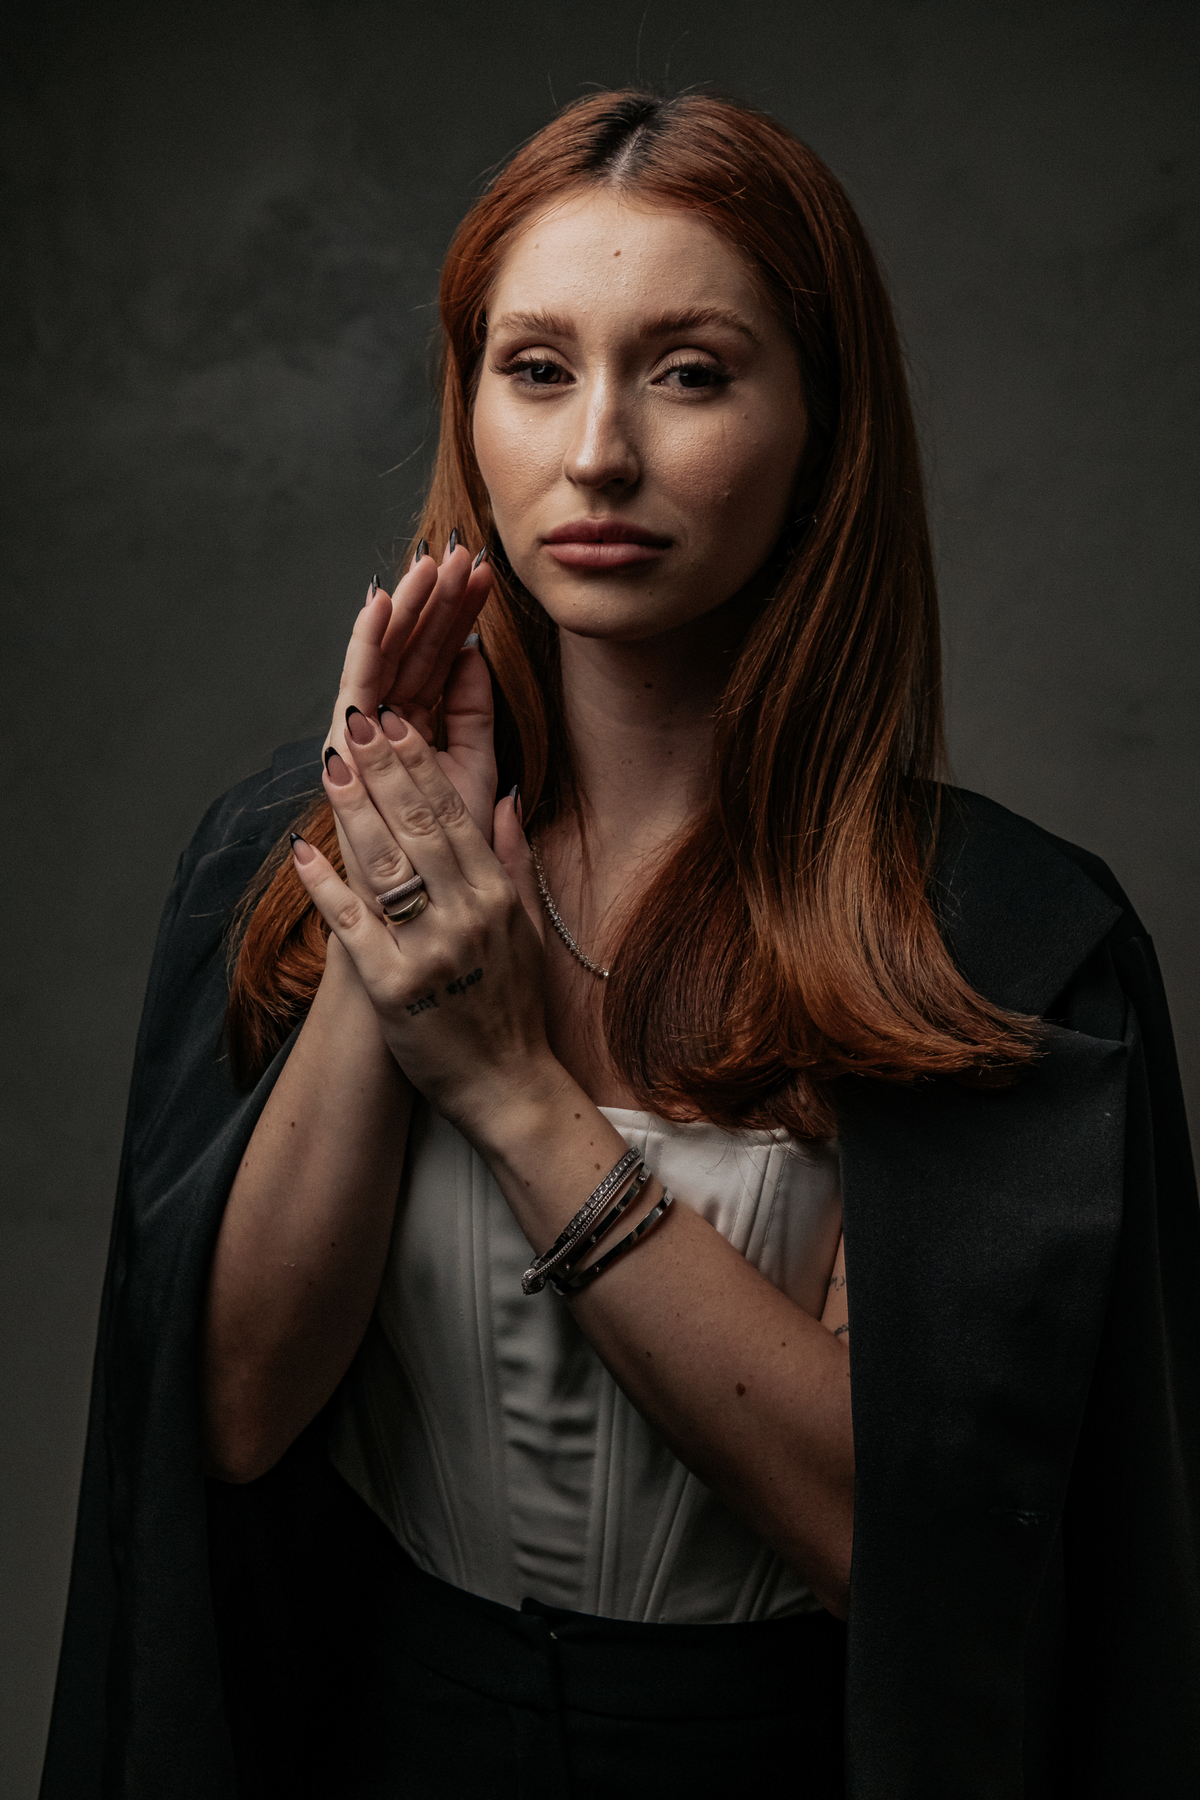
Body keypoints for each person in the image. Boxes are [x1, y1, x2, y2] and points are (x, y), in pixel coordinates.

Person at [41, 90, 1199, 1800]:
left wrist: (518, 1096)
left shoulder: (1004, 950)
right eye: (536, 367)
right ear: (471, 406)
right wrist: (388, 891)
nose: (596, 453)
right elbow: (233, 1416)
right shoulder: (270, 861)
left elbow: (904, 1546)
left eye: (690, 373)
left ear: (820, 427)